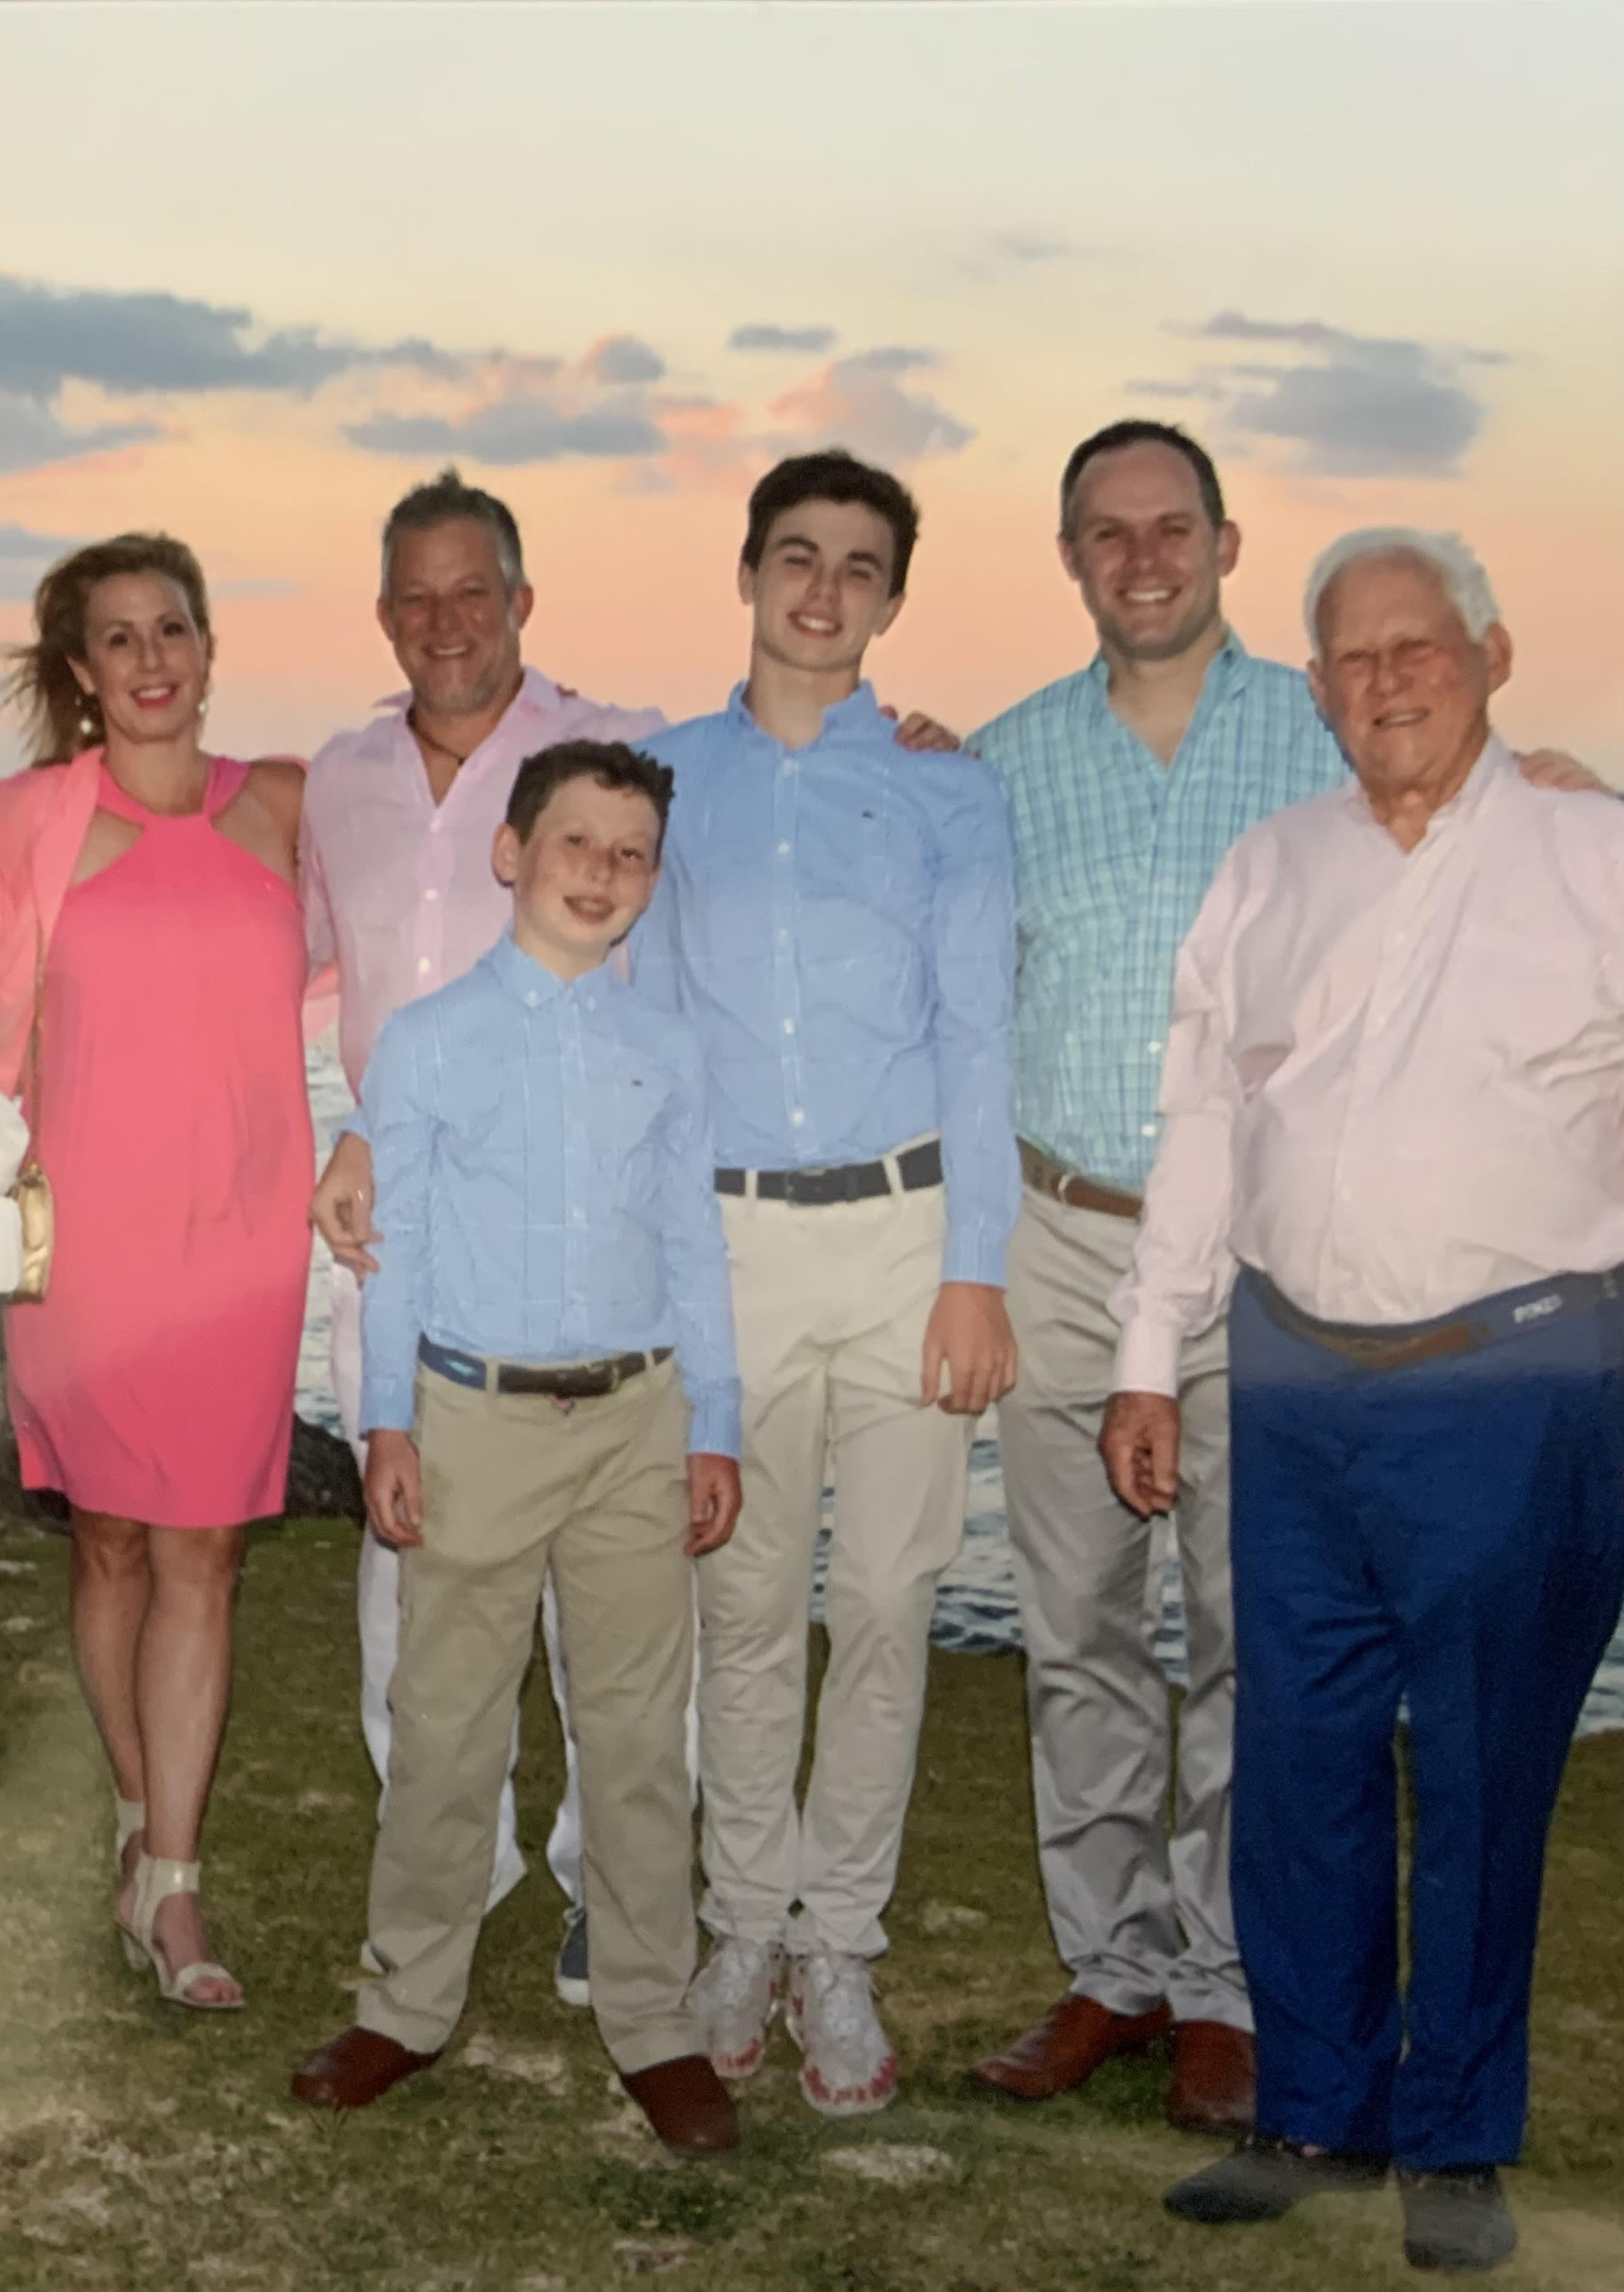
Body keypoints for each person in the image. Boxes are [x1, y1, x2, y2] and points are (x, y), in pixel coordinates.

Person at [964, 422, 1598, 2134]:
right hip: (1092, 1245)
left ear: (1227, 543)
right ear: (1073, 556)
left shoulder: (1437, 778)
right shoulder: (1016, 768)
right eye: (1108, 532)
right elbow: (1043, 1039)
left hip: (1360, 1310)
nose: (1144, 555)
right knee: (1092, 1637)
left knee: (1283, 1664)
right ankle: (1126, 1971)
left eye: (1174, 525)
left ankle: (1245, 1998)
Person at [304, 468, 963, 2008]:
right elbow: (304, 962)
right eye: (415, 595)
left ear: (524, 602)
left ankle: (620, 1896)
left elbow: (777, 785)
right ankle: (441, 1893)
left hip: (606, 1251)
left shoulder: (625, 754)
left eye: (476, 591)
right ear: (383, 610)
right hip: (422, 1216)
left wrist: (931, 747)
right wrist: (346, 1119)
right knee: (423, 1612)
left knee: (626, 1633)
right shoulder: (326, 776)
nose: (446, 621)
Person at [1110, 531, 1624, 2276]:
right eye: (1352, 657)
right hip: (1293, 1373)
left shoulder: (1590, 849)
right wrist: (1140, 1352)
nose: (1387, 679)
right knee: (1304, 1755)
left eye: (1418, 647)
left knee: (1482, 1769)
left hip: (1519, 1378)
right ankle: (1319, 2106)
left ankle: (1460, 2134)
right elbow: (1201, 1132)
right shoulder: (1268, 870)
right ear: (1315, 685)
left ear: (1490, 653)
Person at [630, 451, 1018, 2117]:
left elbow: (980, 1038)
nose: (823, 589)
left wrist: (979, 1268)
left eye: (861, 566)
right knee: (744, 1599)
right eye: (797, 555)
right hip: (727, 1245)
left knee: (883, 1602)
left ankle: (838, 1938)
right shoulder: (659, 779)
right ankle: (741, 1924)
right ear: (748, 569)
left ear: (892, 597)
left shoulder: (951, 794)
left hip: (907, 1233)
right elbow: (637, 1038)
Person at [289, 740, 744, 2157]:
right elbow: (399, 1249)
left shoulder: (666, 1050)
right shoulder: (427, 1042)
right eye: (574, 844)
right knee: (443, 1725)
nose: (600, 874)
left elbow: (691, 1246)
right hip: (473, 1414)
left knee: (633, 1735)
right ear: (511, 855)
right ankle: (406, 2001)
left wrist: (712, 1424)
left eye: (629, 854)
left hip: (632, 1418)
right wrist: (388, 1423)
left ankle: (653, 2018)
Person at [0, 532, 312, 2011]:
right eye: (118, 638)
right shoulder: (22, 818)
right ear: (79, 671)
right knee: (108, 1539)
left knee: (206, 1549)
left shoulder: (290, 805)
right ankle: (137, 1814)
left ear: (208, 644)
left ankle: (172, 1880)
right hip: (85, 1241)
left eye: (173, 626)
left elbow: (483, 843)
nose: (152, 658)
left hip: (244, 1235)